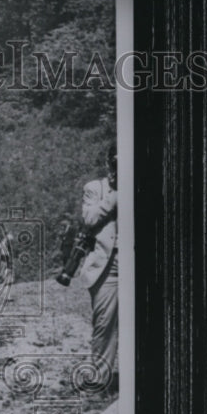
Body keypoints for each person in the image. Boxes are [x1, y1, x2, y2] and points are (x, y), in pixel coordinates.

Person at [80, 146, 118, 378]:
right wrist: (115, 195)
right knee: (104, 325)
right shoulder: (96, 188)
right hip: (108, 265)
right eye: (115, 162)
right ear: (108, 163)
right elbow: (89, 219)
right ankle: (100, 380)